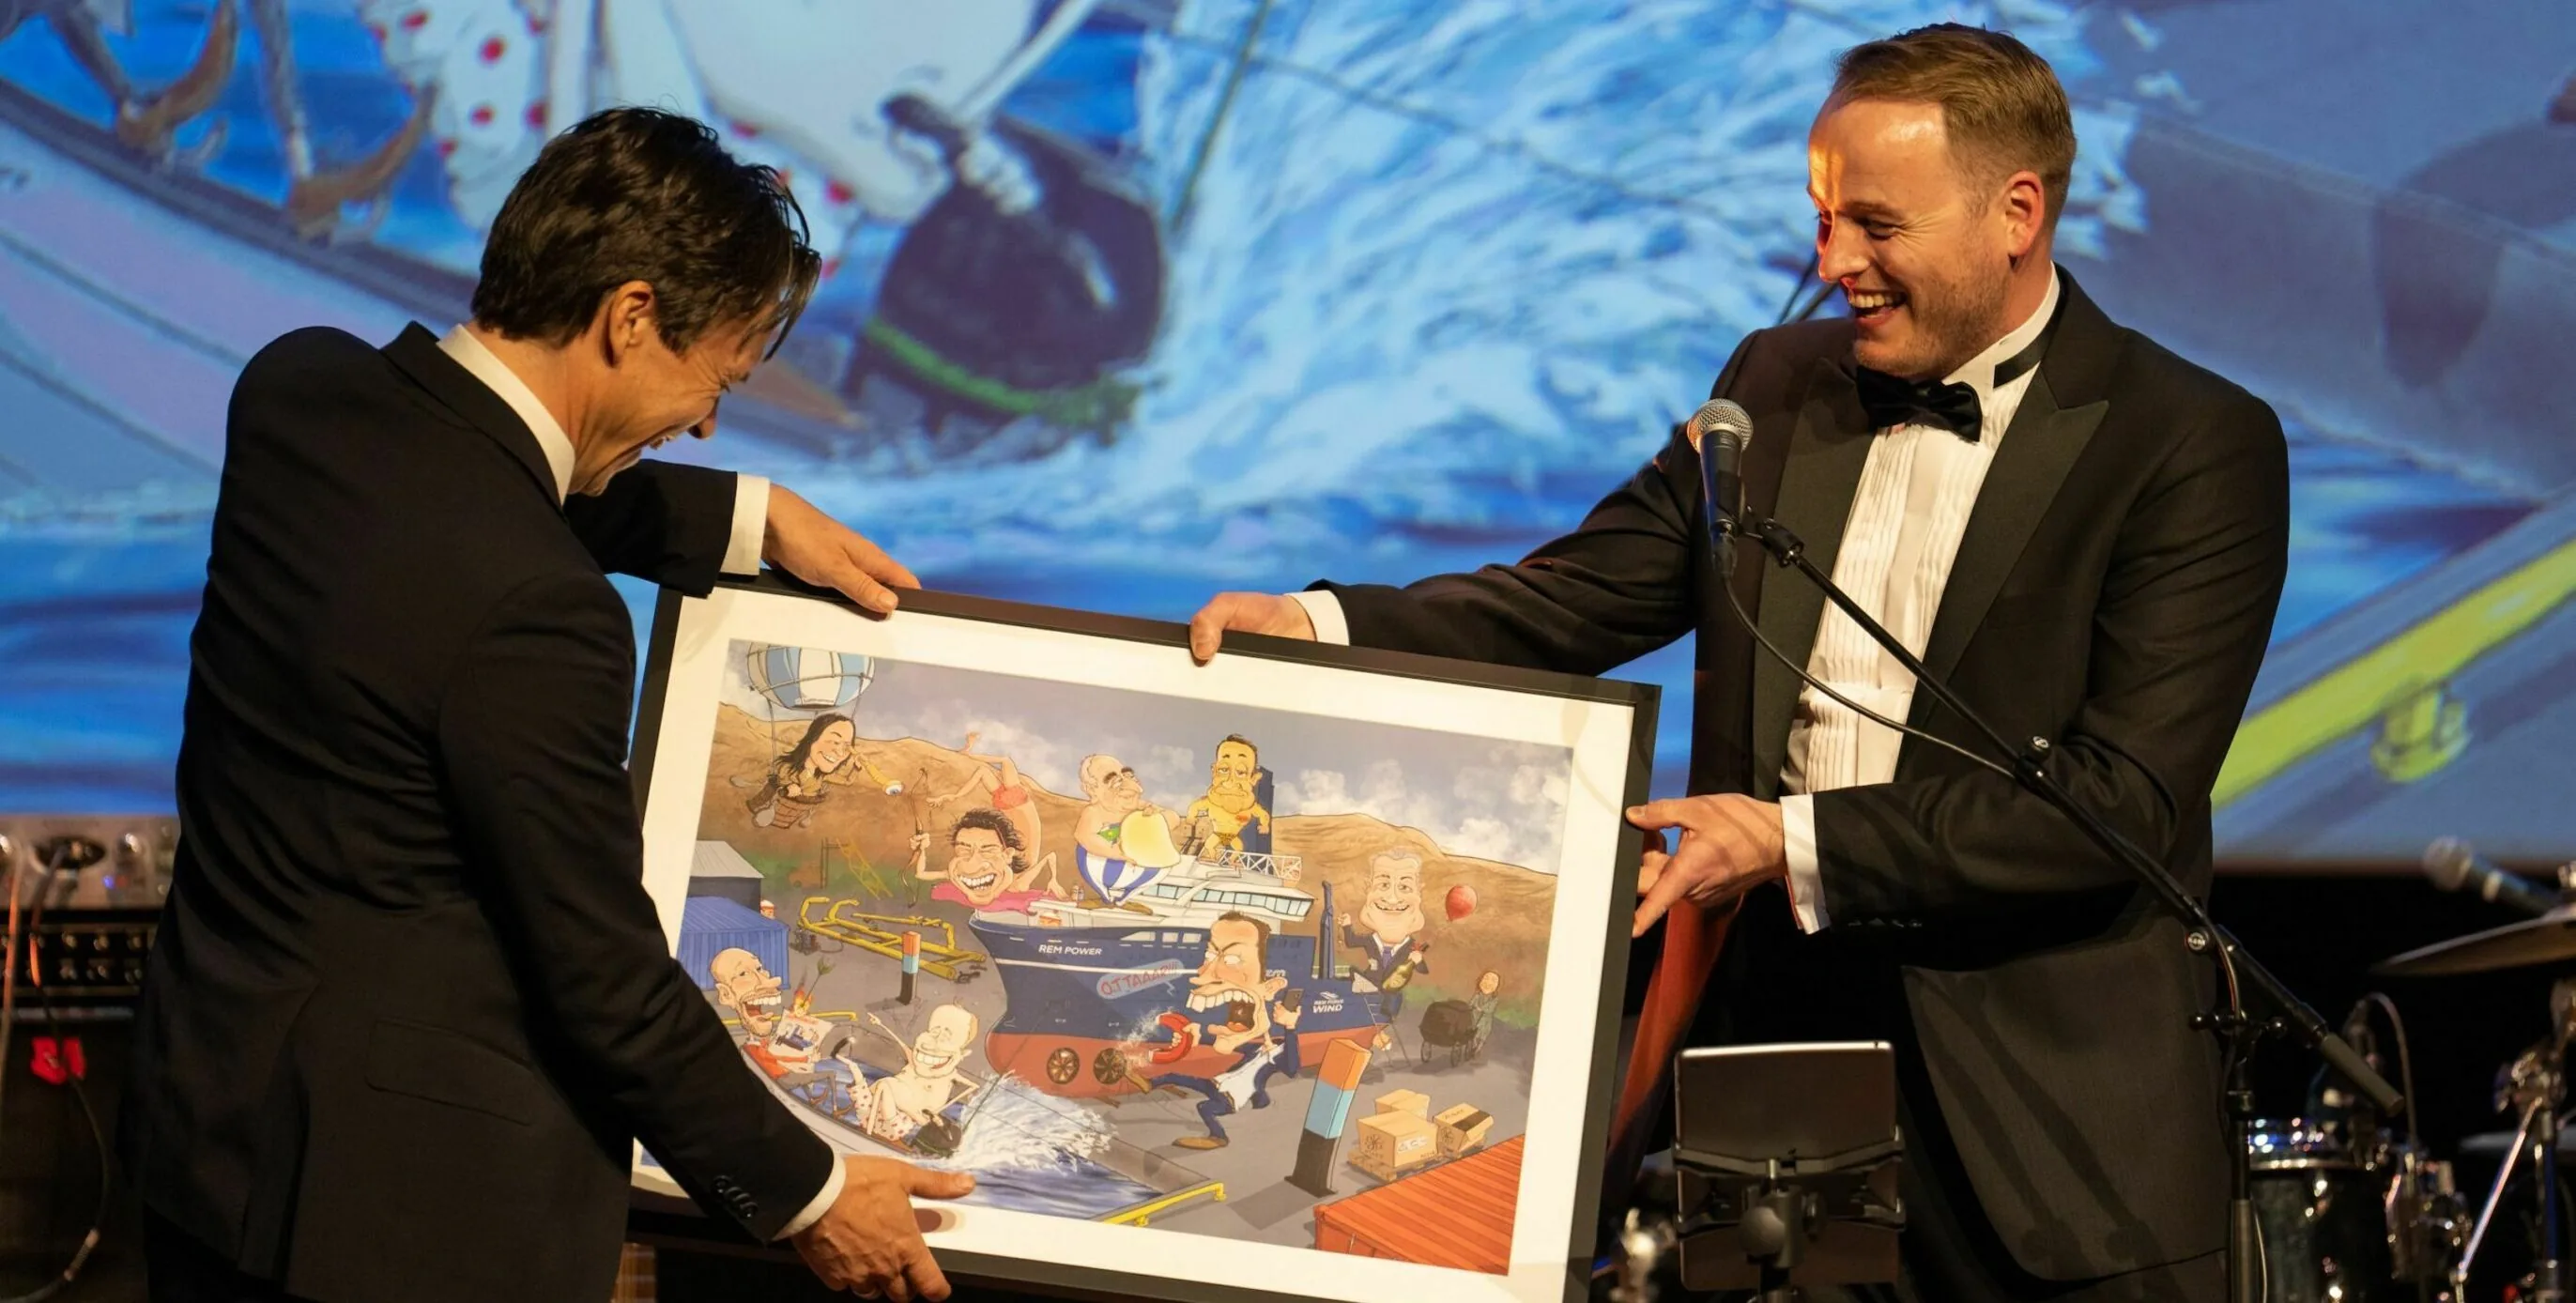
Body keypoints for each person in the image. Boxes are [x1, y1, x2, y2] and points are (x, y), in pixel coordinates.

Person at [1186, 24, 2287, 1302]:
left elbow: (2120, 810)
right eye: (1823, 218)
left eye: (1875, 224)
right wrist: (1321, 625)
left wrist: (1789, 842)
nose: (1832, 265)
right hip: (1773, 1085)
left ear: (2017, 213)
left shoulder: (2190, 442)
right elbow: (1575, 596)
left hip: (2051, 1132)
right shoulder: (1773, 384)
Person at [123, 108, 976, 1303]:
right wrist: (808, 1193)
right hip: (401, 1238)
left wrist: (742, 513)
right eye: (713, 379)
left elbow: (477, 483)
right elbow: (602, 978)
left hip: (206, 1158)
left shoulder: (300, 392)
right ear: (629, 317)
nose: (708, 419)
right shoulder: (541, 615)